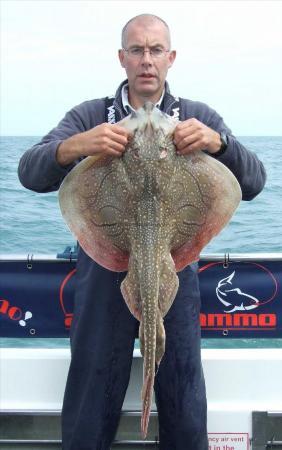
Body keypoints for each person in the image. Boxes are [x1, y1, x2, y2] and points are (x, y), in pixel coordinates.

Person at [18, 13, 266, 450]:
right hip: (101, 276)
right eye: (137, 50)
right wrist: (78, 146)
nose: (146, 60)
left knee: (186, 406)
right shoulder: (91, 116)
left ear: (170, 58)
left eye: (155, 50)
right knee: (90, 406)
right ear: (122, 58)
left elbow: (253, 182)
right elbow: (30, 172)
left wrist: (218, 143)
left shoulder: (196, 117)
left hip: (176, 268)